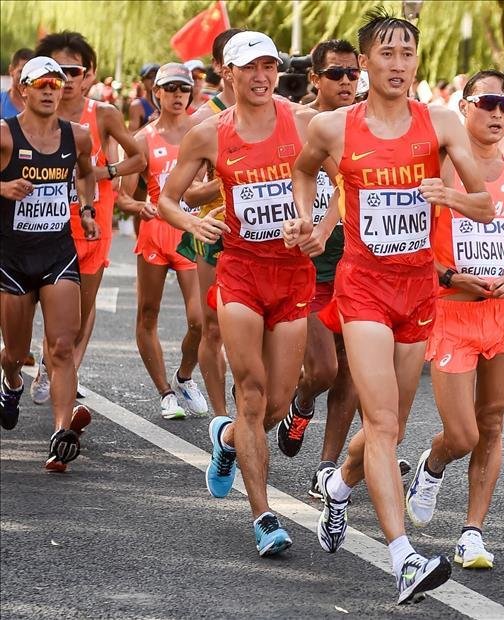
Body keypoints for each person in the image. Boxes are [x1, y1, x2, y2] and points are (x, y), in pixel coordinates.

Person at [290, 8, 493, 604]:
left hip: (418, 289)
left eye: (407, 53)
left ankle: (338, 486)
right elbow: (304, 171)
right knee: (381, 423)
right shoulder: (333, 127)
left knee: (392, 426)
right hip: (364, 287)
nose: (398, 64)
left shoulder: (441, 123)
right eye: (387, 53)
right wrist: (305, 219)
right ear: (365, 63)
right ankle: (403, 558)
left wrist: (448, 194)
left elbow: (484, 205)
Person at [158, 30, 317, 558]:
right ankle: (264, 516)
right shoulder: (208, 134)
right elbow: (168, 198)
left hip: (292, 274)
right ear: (227, 73)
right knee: (250, 393)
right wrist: (192, 223)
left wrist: (320, 228)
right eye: (249, 67)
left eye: (269, 66)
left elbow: (344, 183)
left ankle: (226, 440)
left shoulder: (304, 122)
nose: (261, 76)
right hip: (241, 272)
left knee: (276, 402)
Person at [404, 70, 504, 569]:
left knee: (491, 420)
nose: (498, 114)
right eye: (487, 103)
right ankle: (433, 462)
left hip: (503, 315)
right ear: (464, 108)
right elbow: (411, 246)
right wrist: (450, 277)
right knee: (462, 434)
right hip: (452, 314)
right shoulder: (439, 172)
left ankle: (472, 532)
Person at [31, 31, 146, 404]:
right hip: (42, 224)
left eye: (74, 71)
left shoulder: (103, 114)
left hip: (92, 223)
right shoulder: (34, 115)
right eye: (57, 70)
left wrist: (102, 172)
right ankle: (49, 363)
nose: (66, 79)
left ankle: (62, 368)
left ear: (88, 74)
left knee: (80, 309)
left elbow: (138, 158)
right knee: (48, 307)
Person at [0, 56, 98, 469]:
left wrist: (87, 209)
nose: (48, 91)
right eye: (39, 84)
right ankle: (11, 382)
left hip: (58, 253)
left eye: (54, 84)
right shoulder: (5, 134)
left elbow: (86, 173)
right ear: (23, 90)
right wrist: (3, 187)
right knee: (15, 352)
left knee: (61, 346)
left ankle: (61, 432)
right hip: (12, 258)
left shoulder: (77, 136)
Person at [275, 39, 361, 501]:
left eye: (352, 74)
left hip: (357, 266)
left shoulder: (369, 125)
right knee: (324, 369)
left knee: (351, 370)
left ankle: (328, 467)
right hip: (309, 267)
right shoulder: (300, 122)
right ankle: (303, 401)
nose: (346, 82)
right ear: (314, 78)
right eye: (335, 74)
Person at [117, 63, 207, 420]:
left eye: (183, 89)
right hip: (155, 233)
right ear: (156, 93)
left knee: (200, 319)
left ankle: (184, 376)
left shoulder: (202, 132)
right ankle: (165, 392)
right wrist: (140, 206)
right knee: (148, 314)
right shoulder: (143, 138)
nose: (177, 95)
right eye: (169, 89)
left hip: (191, 231)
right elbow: (123, 197)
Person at [173, 27, 243, 421]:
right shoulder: (202, 120)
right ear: (221, 66)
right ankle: (222, 420)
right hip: (215, 232)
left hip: (263, 235)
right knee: (210, 325)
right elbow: (186, 195)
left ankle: (250, 400)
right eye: (238, 58)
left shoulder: (279, 113)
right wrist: (229, 180)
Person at [1, 49, 34, 118]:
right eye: (21, 71)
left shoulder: (41, 104)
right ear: (11, 70)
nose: (25, 77)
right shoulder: (1, 101)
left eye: (30, 72)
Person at [128, 64, 159, 130]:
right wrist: (149, 124)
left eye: (156, 77)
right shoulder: (137, 105)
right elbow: (131, 135)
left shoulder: (167, 104)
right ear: (142, 81)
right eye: (149, 77)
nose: (153, 80)